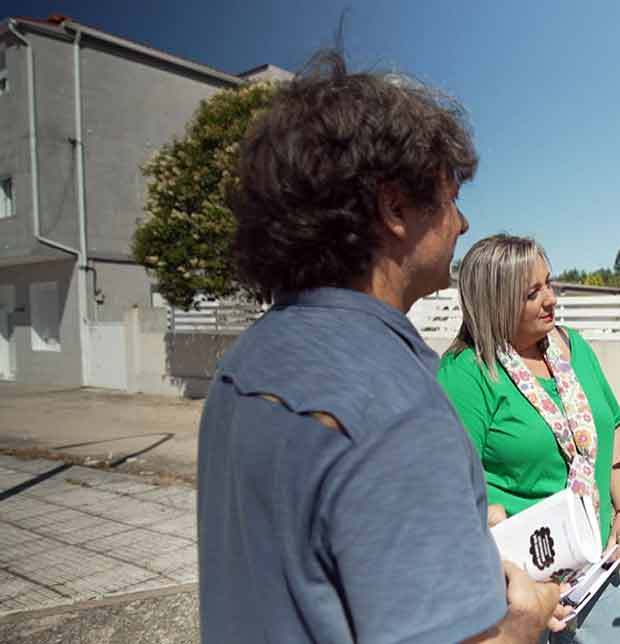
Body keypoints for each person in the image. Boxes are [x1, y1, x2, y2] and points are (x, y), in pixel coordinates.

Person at [197, 52, 565, 644]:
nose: (463, 223)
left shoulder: (247, 360)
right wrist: (525, 615)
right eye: (449, 200)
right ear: (394, 208)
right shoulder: (394, 404)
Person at [438, 234, 620, 644]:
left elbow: (611, 427)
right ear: (494, 301)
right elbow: (446, 487)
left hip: (593, 566)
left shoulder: (574, 349)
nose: (550, 299)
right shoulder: (467, 372)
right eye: (532, 293)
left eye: (549, 284)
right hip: (518, 585)